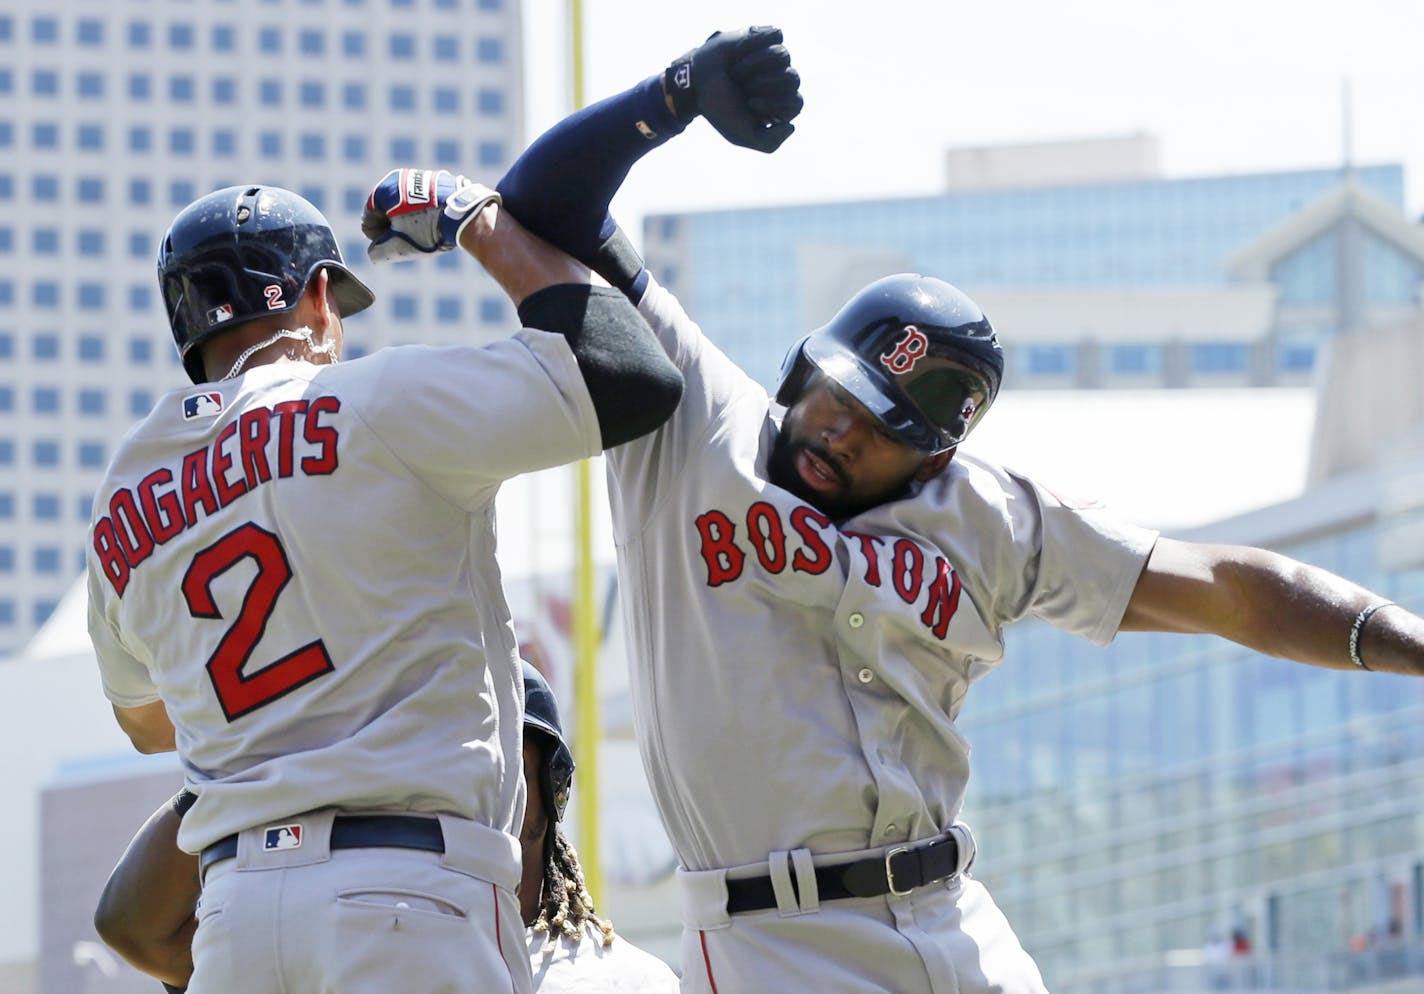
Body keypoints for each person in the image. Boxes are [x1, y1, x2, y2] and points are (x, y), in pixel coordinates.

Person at [366, 25, 1424, 994]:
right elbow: (546, 202)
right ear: (801, 366)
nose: (836, 430)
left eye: (878, 427)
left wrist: (1403, 643)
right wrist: (674, 97)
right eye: (835, 394)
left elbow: (1225, 591)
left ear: (933, 452)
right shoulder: (693, 421)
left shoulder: (992, 516)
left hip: (953, 915)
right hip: (769, 938)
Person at [85, 181, 682, 994]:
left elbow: (150, 725)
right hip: (405, 896)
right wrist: (478, 220)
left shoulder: (127, 483)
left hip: (233, 915)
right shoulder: (369, 401)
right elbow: (631, 374)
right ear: (319, 295)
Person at [94, 662, 679, 994]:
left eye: (499, 739)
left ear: (549, 785)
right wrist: (256, 774)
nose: (470, 761)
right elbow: (132, 925)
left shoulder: (623, 978)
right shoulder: (347, 913)